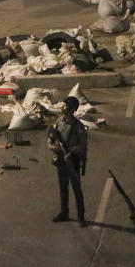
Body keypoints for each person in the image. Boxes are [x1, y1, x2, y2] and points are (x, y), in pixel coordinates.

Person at [48, 96, 87, 227]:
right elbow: (51, 137)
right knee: (62, 188)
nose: (62, 107)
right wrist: (52, 146)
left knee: (77, 189)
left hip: (72, 161)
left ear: (71, 109)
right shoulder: (59, 122)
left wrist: (71, 152)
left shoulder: (78, 126)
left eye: (65, 105)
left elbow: (83, 145)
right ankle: (64, 212)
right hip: (61, 160)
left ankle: (81, 216)